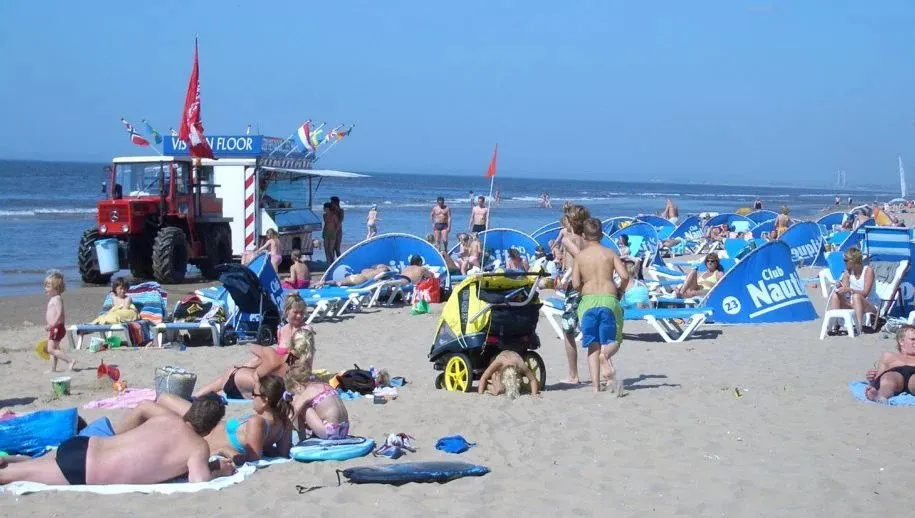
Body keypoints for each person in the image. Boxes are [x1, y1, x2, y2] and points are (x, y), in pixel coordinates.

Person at [0, 395, 234, 485]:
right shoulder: (198, 447)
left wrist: (121, 436)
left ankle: (11, 458)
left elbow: (143, 405)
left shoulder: (167, 418)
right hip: (85, 468)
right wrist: (218, 470)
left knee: (31, 463)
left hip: (86, 444)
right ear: (211, 427)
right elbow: (199, 482)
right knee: (9, 476)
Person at [193, 293, 314, 399]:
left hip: (288, 373)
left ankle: (199, 396)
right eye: (296, 312)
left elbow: (302, 359)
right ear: (287, 311)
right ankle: (197, 396)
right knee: (233, 374)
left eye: (302, 313)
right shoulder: (281, 330)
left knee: (232, 376)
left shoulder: (304, 332)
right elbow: (276, 355)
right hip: (274, 368)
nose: (299, 316)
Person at [572, 218, 628, 393]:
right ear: (602, 234)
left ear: (583, 235)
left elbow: (575, 284)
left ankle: (596, 387)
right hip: (609, 299)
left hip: (588, 301)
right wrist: (620, 291)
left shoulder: (580, 256)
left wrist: (584, 290)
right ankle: (606, 356)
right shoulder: (610, 253)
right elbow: (625, 276)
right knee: (614, 340)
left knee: (592, 345)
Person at [557, 205, 589, 385]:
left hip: (575, 287)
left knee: (568, 330)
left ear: (570, 222)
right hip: (588, 286)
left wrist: (565, 279)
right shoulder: (586, 239)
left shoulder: (568, 239)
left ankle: (573, 375)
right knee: (589, 328)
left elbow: (578, 260)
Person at [286, 365, 350, 439]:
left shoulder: (308, 391)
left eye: (293, 392)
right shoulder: (326, 385)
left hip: (330, 431)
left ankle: (302, 439)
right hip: (344, 429)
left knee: (298, 403)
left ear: (297, 385)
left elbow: (293, 415)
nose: (294, 394)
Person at [827, 247, 878, 333]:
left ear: (852, 262)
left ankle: (859, 327)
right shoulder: (848, 272)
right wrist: (840, 287)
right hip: (853, 304)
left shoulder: (868, 271)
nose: (844, 262)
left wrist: (849, 289)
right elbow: (844, 290)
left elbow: (865, 293)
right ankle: (835, 325)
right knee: (836, 295)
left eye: (845, 260)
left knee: (856, 297)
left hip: (869, 305)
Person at [865, 324, 915, 402]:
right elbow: (878, 376)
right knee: (888, 378)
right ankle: (881, 396)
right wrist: (872, 379)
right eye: (913, 339)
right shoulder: (889, 356)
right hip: (895, 375)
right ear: (901, 342)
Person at [43, 271, 75, 372]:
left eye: (48, 286)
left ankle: (70, 361)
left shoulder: (57, 299)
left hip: (57, 327)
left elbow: (59, 313)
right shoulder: (54, 298)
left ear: (56, 288)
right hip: (55, 327)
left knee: (50, 349)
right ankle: (53, 369)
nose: (45, 289)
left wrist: (53, 324)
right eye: (45, 286)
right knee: (54, 349)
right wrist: (50, 324)